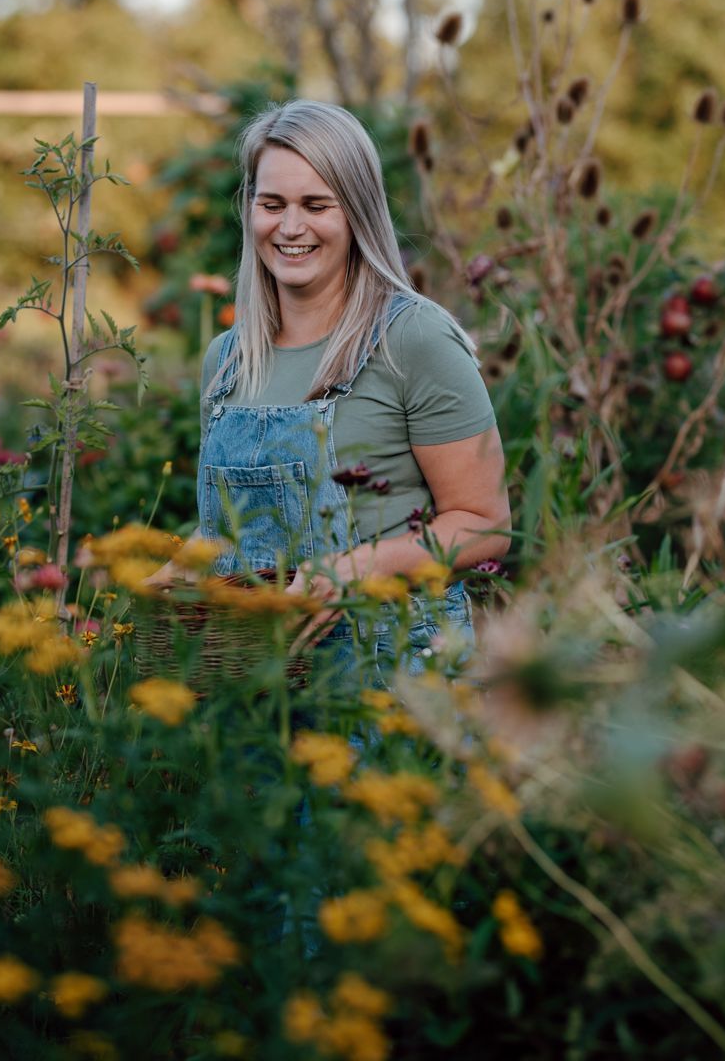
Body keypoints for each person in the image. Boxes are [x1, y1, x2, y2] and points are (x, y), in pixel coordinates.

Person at [165, 99, 510, 678]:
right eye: (271, 204)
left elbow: (485, 522)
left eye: (316, 205)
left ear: (356, 212)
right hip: (255, 683)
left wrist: (353, 568)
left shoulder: (413, 338)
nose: (290, 227)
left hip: (390, 670)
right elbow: (234, 530)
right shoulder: (227, 360)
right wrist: (168, 571)